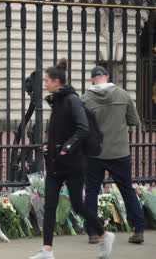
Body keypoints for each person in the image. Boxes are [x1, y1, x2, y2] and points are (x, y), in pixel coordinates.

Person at [29, 59, 115, 259]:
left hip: (74, 163)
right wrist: (49, 144)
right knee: (49, 205)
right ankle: (47, 250)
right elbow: (59, 129)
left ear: (57, 81)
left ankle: (104, 234)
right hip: (56, 162)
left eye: (47, 80)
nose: (45, 84)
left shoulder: (72, 100)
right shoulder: (57, 100)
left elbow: (83, 129)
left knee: (77, 204)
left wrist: (66, 147)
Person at [81, 66, 144, 244]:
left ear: (92, 79)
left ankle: (93, 232)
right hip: (119, 152)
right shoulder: (123, 95)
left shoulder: (84, 99)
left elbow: (81, 127)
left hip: (95, 153)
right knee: (127, 190)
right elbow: (134, 121)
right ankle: (138, 229)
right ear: (107, 77)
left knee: (92, 192)